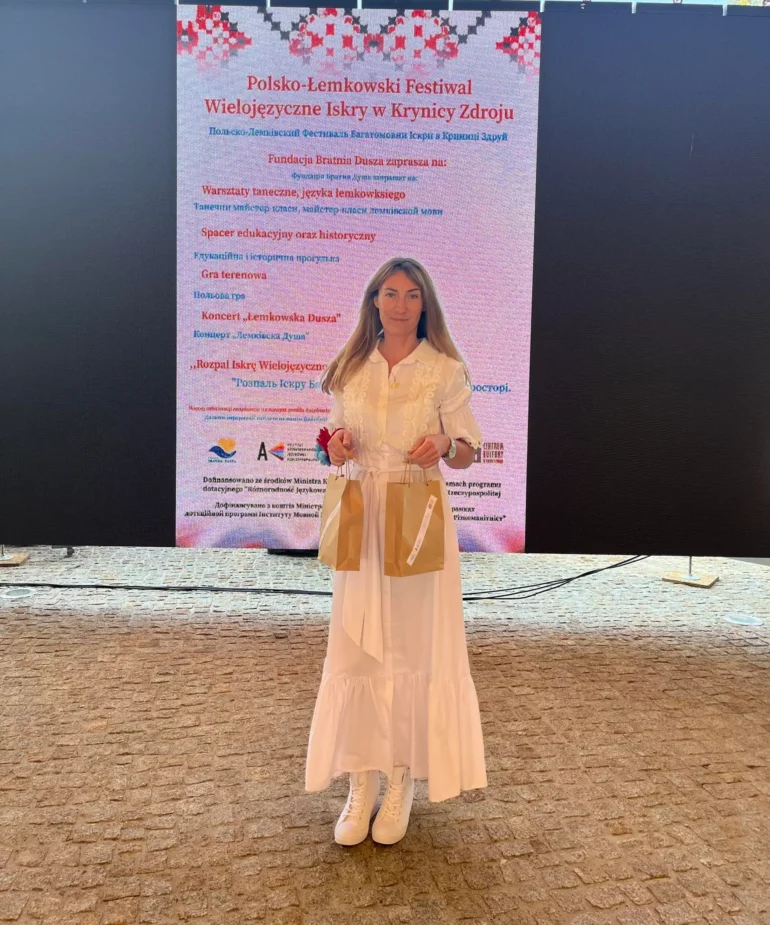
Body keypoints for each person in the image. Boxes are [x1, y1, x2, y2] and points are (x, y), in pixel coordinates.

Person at [305, 257, 487, 846]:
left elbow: (468, 452)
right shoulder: (350, 367)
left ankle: (402, 776)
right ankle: (360, 781)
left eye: (411, 294)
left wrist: (445, 444)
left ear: (424, 303)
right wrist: (336, 445)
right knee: (357, 646)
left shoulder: (445, 370)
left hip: (416, 515)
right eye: (390, 293)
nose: (401, 304)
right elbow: (329, 441)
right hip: (362, 515)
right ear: (374, 302)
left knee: (412, 644)